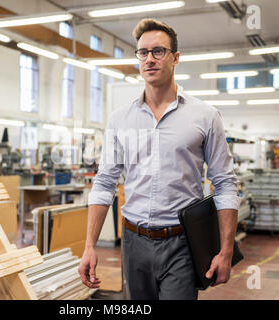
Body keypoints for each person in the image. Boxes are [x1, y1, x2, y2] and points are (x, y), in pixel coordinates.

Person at [78, 18, 240, 300]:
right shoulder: (120, 119)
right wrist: (90, 245)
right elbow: (104, 183)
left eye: (158, 51)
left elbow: (225, 184)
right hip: (133, 242)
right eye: (143, 52)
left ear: (175, 58)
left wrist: (225, 251)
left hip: (182, 243)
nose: (149, 59)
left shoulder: (205, 116)